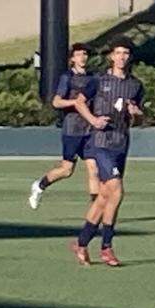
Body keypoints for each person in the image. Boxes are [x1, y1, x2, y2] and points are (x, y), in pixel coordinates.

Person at [70, 37, 144, 267]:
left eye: (126, 53)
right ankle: (107, 246)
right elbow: (79, 102)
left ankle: (81, 243)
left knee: (104, 197)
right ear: (111, 56)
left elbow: (139, 117)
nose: (121, 57)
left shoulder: (136, 85)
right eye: (118, 53)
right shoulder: (98, 81)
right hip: (100, 142)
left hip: (121, 142)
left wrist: (136, 113)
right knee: (117, 191)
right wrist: (93, 119)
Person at [28, 42, 100, 209]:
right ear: (72, 59)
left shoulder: (93, 78)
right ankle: (40, 185)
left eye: (85, 54)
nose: (83, 57)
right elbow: (56, 102)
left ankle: (96, 212)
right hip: (72, 129)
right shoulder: (67, 77)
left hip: (89, 129)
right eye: (79, 54)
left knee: (94, 169)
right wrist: (76, 102)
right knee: (67, 170)